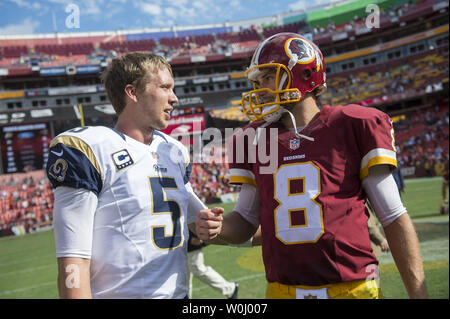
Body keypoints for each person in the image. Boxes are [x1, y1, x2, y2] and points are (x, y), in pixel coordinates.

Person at [196, 32, 427, 299]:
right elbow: (246, 220)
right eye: (258, 82)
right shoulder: (253, 139)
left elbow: (393, 216)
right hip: (282, 291)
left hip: (352, 289)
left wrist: (417, 295)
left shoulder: (352, 125)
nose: (260, 90)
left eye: (268, 77)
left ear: (303, 75)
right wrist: (219, 228)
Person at [46, 52, 222, 299]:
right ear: (132, 92)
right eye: (165, 87)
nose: (174, 98)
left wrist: (208, 224)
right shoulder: (91, 149)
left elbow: (198, 219)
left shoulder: (173, 150)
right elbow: (72, 259)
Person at [187, 230, 239, 299]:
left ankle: (229, 289)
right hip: (181, 242)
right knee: (184, 275)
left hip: (189, 242)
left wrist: (197, 236)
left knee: (197, 269)